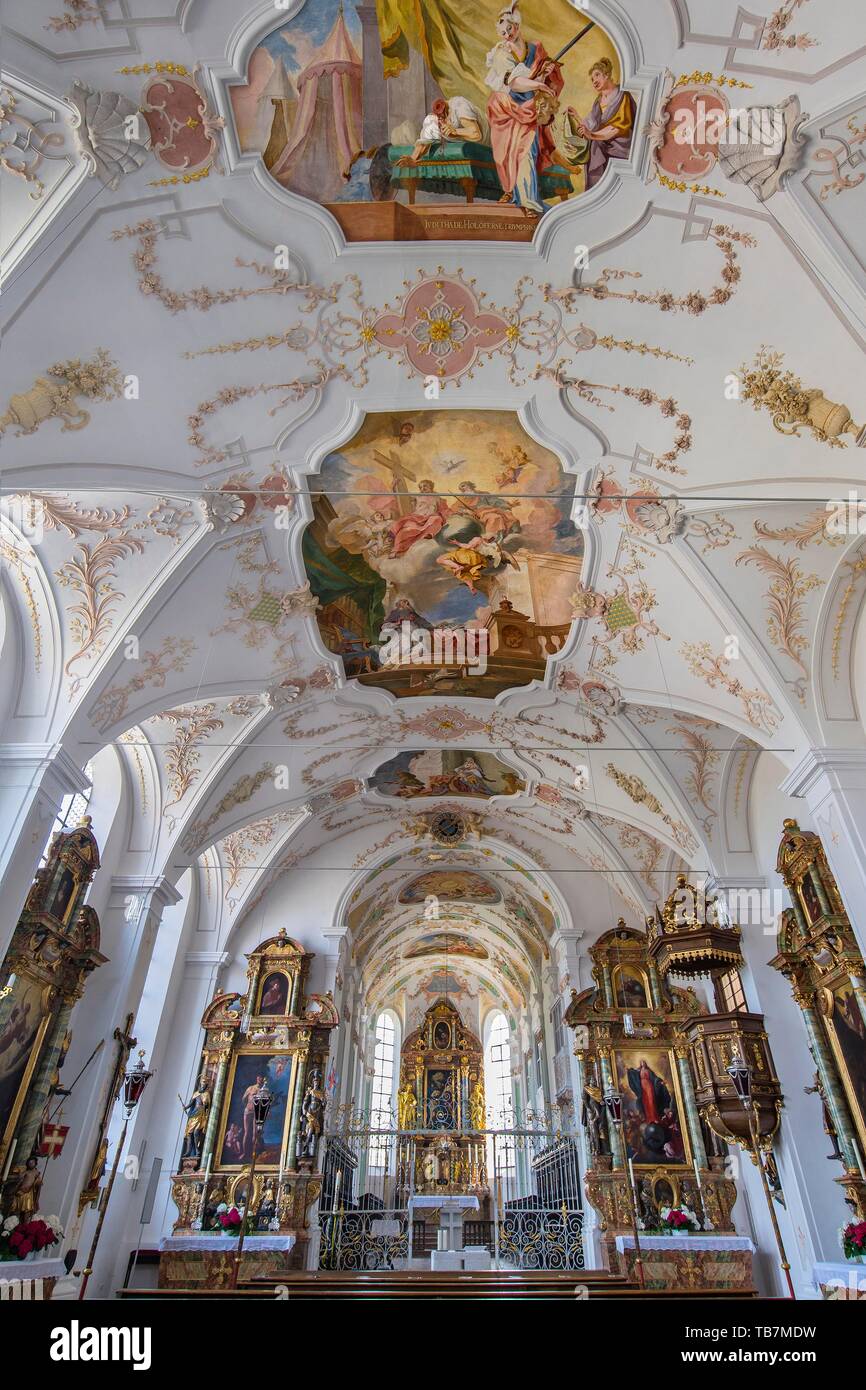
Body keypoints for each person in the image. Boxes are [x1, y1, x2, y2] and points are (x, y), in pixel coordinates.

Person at [485, 4, 564, 215]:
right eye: (502, 32)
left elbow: (546, 75)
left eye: (510, 29)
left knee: (525, 153)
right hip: (506, 110)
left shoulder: (536, 48)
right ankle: (512, 192)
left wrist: (548, 70)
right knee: (504, 156)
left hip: (528, 110)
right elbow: (515, 82)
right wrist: (538, 83)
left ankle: (528, 203)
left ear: (517, 26)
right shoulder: (501, 53)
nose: (507, 35)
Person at [565, 57, 634, 190]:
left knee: (595, 145)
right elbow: (592, 123)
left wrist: (592, 136)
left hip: (620, 143)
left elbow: (619, 127)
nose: (594, 81)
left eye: (597, 75)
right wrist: (577, 116)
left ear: (606, 74)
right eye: (592, 79)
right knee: (595, 146)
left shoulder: (622, 95)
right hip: (603, 142)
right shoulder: (598, 101)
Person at [395, 96, 485, 168]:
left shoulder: (459, 106)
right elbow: (425, 141)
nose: (441, 121)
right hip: (468, 141)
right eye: (439, 118)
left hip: (487, 141)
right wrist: (412, 158)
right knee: (430, 121)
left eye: (443, 117)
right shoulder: (434, 119)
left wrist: (456, 131)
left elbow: (477, 134)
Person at [388, 480, 450, 557]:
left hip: (430, 518)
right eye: (421, 487)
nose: (422, 488)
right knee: (406, 531)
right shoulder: (416, 496)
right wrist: (394, 488)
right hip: (417, 518)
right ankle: (399, 551)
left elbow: (444, 510)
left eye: (425, 486)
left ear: (431, 486)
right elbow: (401, 496)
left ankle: (426, 536)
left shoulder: (437, 498)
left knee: (437, 519)